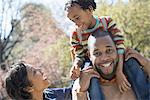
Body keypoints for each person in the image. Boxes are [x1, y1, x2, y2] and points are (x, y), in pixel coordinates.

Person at [64, 0, 128, 99]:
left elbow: (120, 46)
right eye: (73, 21)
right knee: (90, 76)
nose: (76, 24)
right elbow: (79, 55)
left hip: (115, 56)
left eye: (77, 18)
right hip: (91, 61)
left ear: (89, 9)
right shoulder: (76, 35)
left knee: (132, 63)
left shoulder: (107, 23)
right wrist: (76, 65)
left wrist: (119, 71)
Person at [72, 30, 150, 100]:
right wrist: (81, 91)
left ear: (117, 50)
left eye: (109, 50)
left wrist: (146, 63)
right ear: (89, 56)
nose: (104, 58)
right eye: (97, 53)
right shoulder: (82, 85)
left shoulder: (135, 73)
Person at [3, 62, 72, 100]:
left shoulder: (49, 94)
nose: (40, 70)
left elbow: (73, 91)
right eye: (34, 72)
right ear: (28, 88)